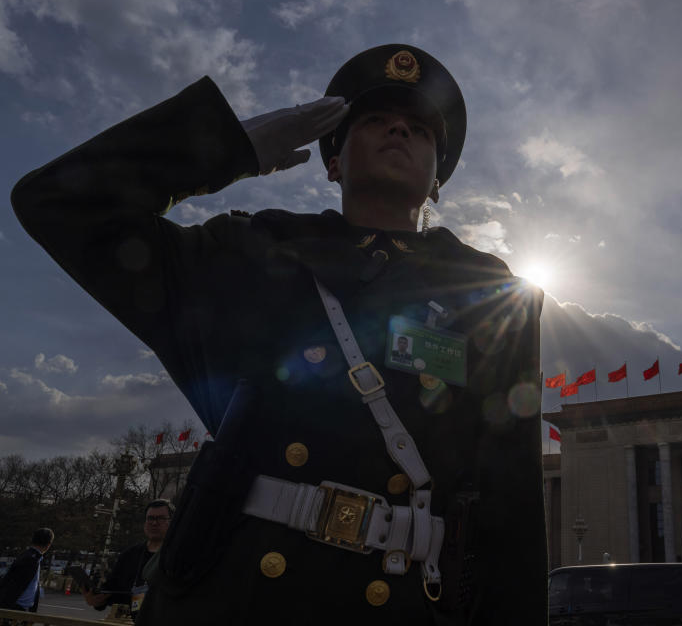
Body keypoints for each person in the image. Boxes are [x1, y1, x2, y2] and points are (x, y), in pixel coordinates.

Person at [12, 44, 546, 624]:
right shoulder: (252, 254)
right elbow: (58, 204)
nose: (399, 127)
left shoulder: (489, 295)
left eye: (420, 129)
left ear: (437, 178)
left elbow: (509, 505)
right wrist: (223, 148)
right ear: (334, 161)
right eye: (373, 119)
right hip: (236, 597)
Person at [82, 500, 174, 619]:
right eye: (150, 518)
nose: (154, 523)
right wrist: (96, 600)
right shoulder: (130, 554)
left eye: (161, 518)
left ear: (173, 522)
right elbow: (111, 590)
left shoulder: (180, 555)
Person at [0, 528, 54, 613]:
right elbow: (14, 586)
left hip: (17, 607)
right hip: (16, 608)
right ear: (48, 545)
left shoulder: (28, 556)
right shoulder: (32, 559)